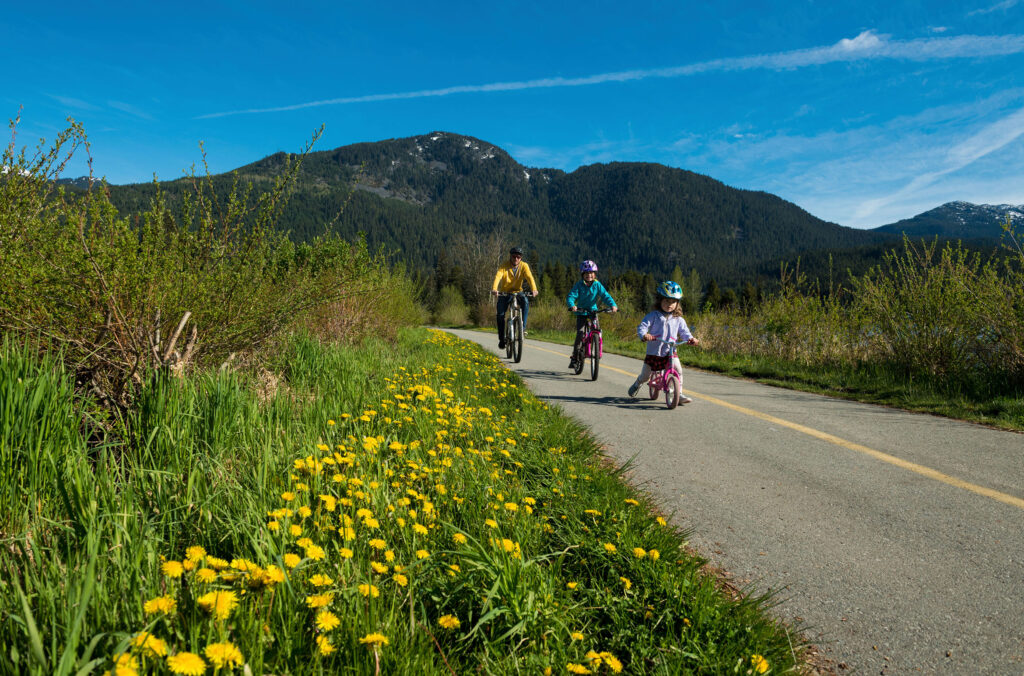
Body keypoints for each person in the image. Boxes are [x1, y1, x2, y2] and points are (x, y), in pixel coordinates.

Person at [627, 280, 700, 404]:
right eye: (666, 301)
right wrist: (645, 335)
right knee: (646, 375)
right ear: (659, 300)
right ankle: (638, 382)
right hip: (653, 352)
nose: (669, 304)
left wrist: (691, 339)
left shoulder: (679, 320)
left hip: (670, 352)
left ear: (677, 303)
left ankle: (679, 393)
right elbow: (643, 326)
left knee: (678, 370)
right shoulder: (653, 316)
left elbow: (685, 332)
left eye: (673, 302)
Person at [566, 259, 618, 370]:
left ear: (594, 274)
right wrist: (572, 305)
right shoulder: (579, 285)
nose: (589, 275)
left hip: (593, 312)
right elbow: (571, 296)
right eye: (586, 273)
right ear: (582, 275)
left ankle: (596, 345)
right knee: (580, 333)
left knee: (597, 330)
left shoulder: (597, 285)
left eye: (591, 273)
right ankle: (575, 357)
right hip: (581, 312)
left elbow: (605, 296)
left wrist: (613, 305)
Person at [490, 246, 538, 349]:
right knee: (500, 315)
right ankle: (502, 338)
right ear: (510, 256)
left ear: (521, 258)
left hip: (518, 291)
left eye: (518, 257)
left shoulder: (524, 266)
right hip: (505, 292)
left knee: (525, 302)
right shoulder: (504, 266)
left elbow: (530, 277)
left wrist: (534, 289)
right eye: (514, 256)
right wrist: (495, 289)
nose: (516, 259)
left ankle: (522, 328)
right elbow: (498, 276)